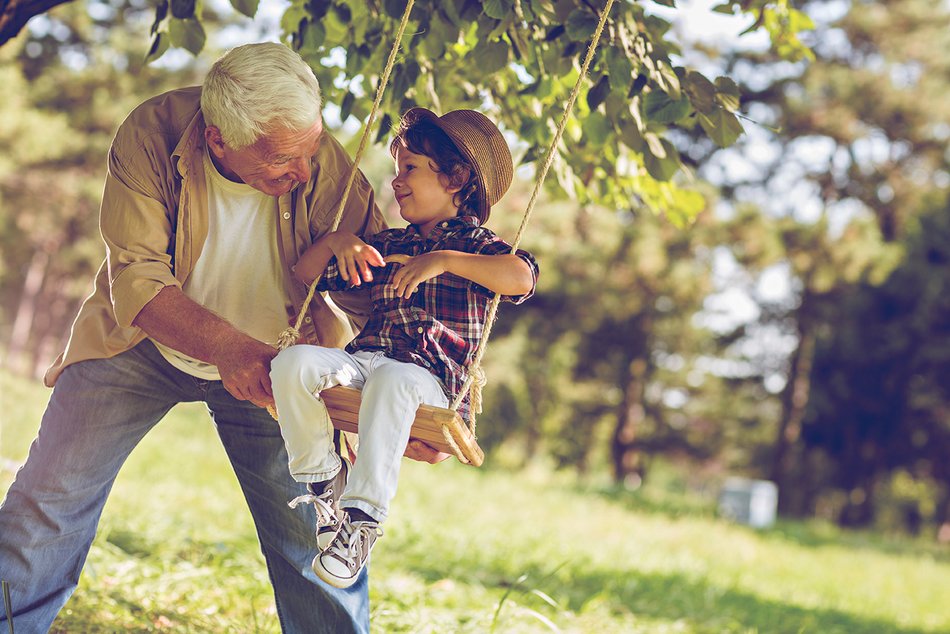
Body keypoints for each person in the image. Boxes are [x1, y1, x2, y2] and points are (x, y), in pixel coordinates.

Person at [0, 42, 439, 633]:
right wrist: (230, 349)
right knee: (48, 503)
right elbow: (137, 279)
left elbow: (383, 302)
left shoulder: (326, 169)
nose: (304, 172)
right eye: (283, 159)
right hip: (139, 343)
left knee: (315, 533)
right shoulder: (151, 135)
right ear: (218, 140)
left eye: (310, 149)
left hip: (280, 361)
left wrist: (409, 404)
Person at [269, 107, 540, 588]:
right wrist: (339, 242)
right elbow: (306, 274)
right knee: (293, 363)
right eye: (397, 169)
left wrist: (443, 260)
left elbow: (521, 277)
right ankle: (325, 482)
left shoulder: (477, 246)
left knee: (395, 377)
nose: (396, 181)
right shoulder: (390, 244)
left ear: (456, 179)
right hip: (367, 363)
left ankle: (362, 520)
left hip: (429, 381)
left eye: (410, 168)